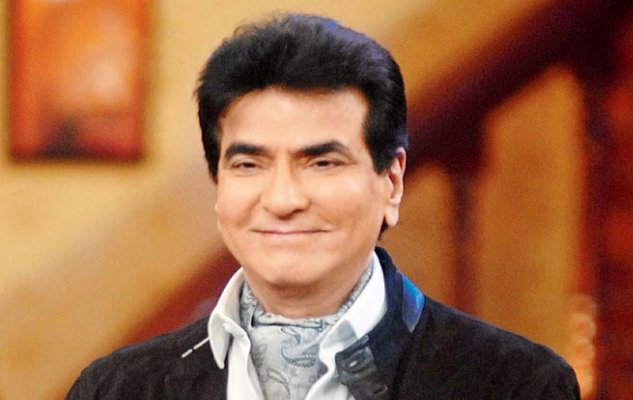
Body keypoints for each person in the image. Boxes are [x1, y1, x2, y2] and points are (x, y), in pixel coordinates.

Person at [66, 13, 581, 400]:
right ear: (218, 184)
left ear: (392, 182)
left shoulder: (515, 384)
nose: (283, 200)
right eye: (249, 164)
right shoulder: (115, 388)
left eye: (322, 163)